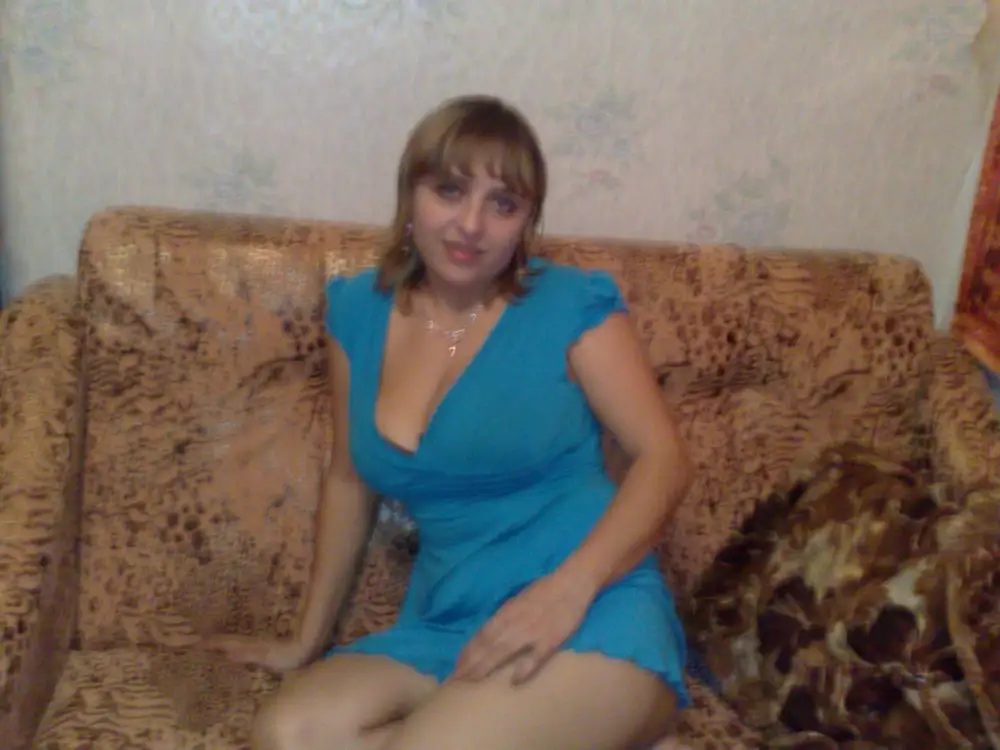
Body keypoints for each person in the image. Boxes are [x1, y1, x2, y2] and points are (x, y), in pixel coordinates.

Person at [201, 94, 695, 750]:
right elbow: (349, 478)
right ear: (410, 196)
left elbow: (665, 459)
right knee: (287, 735)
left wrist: (566, 592)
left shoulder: (573, 304)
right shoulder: (357, 311)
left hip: (591, 608)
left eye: (503, 204)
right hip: (451, 619)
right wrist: (304, 640)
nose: (471, 224)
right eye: (450, 190)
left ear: (525, 223)